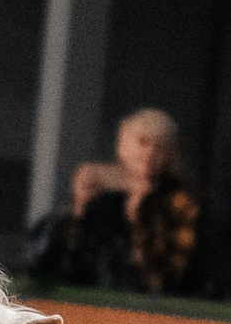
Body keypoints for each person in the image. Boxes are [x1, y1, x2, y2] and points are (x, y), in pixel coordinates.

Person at [28, 108, 203, 294]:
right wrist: (79, 209)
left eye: (159, 147)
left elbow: (170, 276)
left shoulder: (180, 204)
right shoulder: (105, 202)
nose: (150, 152)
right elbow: (58, 266)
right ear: (123, 147)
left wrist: (142, 214)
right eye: (143, 142)